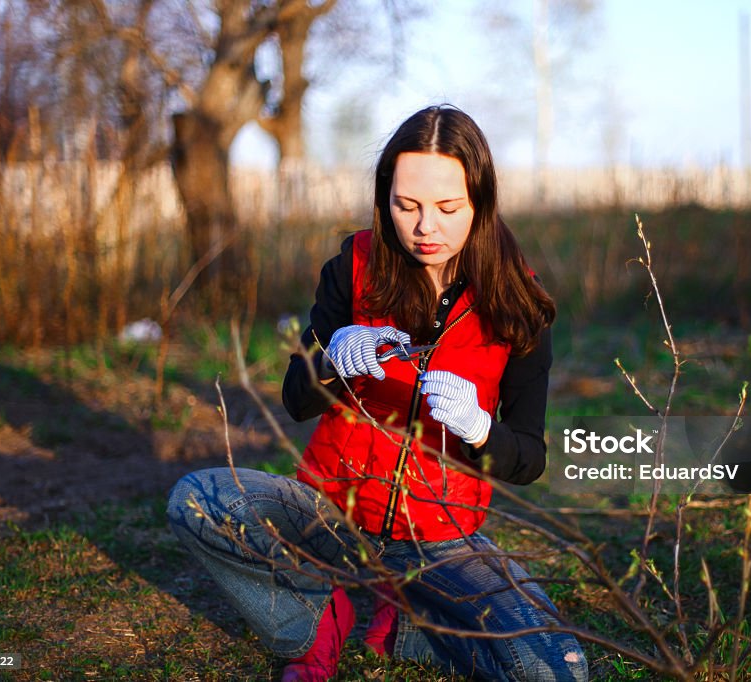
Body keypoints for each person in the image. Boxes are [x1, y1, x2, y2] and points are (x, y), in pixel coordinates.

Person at [167, 105, 589, 682]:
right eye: (406, 205)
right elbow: (295, 398)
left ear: (481, 203)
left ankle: (407, 624)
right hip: (330, 512)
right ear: (385, 195)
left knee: (553, 671)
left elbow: (529, 459)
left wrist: (480, 429)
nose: (424, 228)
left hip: (438, 536)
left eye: (447, 208)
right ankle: (316, 623)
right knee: (198, 500)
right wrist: (332, 359)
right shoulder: (355, 263)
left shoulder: (518, 303)